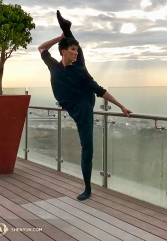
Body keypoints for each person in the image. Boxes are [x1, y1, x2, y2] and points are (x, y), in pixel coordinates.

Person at [38, 11, 132, 201]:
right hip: (71, 101)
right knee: (80, 64)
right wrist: (62, 37)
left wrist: (121, 106)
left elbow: (100, 90)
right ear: (63, 51)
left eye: (76, 50)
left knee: (86, 147)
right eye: (73, 49)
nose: (76, 52)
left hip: (84, 105)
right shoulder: (54, 65)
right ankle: (67, 28)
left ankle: (87, 188)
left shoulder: (79, 71)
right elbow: (41, 48)